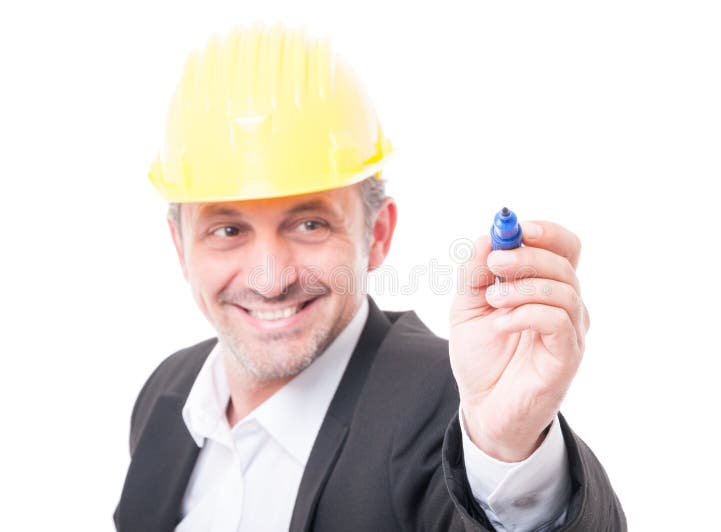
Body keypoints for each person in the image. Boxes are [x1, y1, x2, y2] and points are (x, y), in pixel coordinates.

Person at [114, 22, 626, 532]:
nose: (270, 280)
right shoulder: (169, 391)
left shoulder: (452, 406)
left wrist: (508, 449)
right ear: (180, 246)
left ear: (377, 233)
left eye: (310, 224)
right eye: (227, 230)